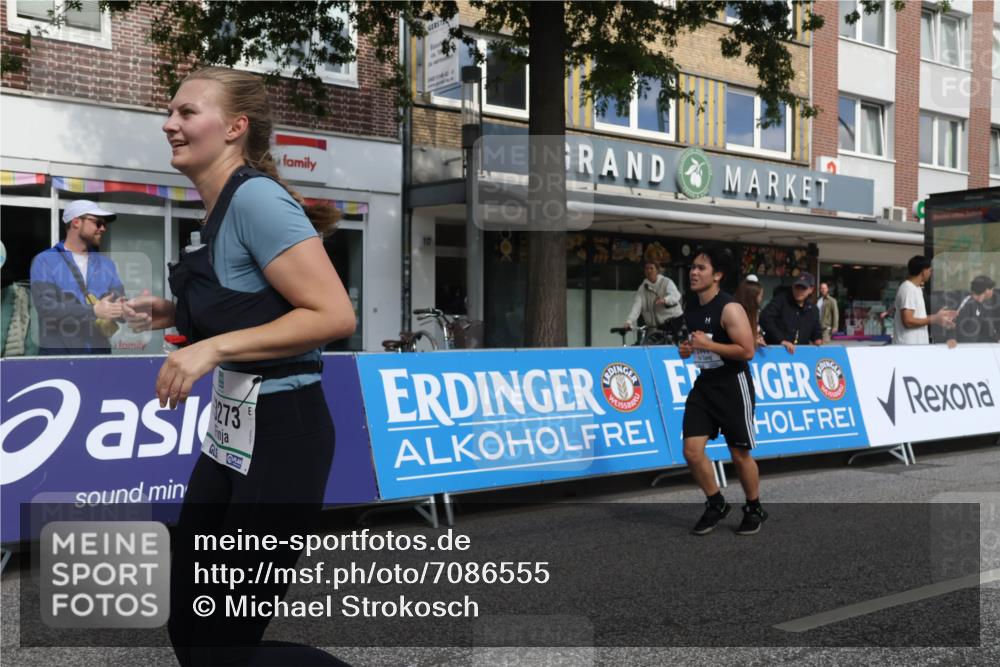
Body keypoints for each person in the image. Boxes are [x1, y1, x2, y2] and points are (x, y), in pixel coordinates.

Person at [122, 67, 355, 666]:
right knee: (188, 622)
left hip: (285, 433)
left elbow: (333, 315)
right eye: (170, 112)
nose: (169, 124)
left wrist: (211, 348)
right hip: (233, 437)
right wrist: (173, 311)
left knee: (221, 646)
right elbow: (254, 303)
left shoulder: (255, 199)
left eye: (186, 112)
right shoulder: (218, 208)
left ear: (234, 128)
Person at [677, 247, 765, 536]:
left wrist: (709, 345)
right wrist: (686, 350)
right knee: (692, 451)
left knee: (739, 454)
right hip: (705, 385)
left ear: (717, 275)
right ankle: (716, 503)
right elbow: (697, 346)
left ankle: (754, 508)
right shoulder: (692, 306)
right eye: (693, 267)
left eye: (701, 268)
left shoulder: (730, 308)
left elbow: (747, 351)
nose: (693, 272)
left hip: (732, 385)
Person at [29, 200, 124, 355]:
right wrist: (94, 311)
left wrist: (129, 309)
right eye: (98, 223)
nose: (103, 228)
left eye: (104, 224)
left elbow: (118, 302)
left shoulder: (107, 264)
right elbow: (46, 309)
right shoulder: (44, 261)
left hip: (99, 358)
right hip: (57, 359)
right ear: (76, 222)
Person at [893, 255, 955, 345]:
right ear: (923, 271)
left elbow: (918, 318)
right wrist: (935, 318)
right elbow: (908, 321)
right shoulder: (908, 289)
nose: (931, 273)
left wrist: (939, 318)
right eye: (930, 270)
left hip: (916, 346)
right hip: (908, 347)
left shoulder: (916, 288)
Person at [759, 272, 823, 353]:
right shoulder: (780, 300)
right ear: (793, 286)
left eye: (803, 288)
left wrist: (818, 338)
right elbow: (765, 318)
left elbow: (816, 328)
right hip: (776, 350)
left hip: (800, 353)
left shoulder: (813, 309)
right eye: (797, 287)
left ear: (811, 289)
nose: (799, 291)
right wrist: (781, 340)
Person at [623, 260, 683, 337]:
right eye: (646, 268)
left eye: (651, 268)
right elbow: (636, 306)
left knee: (670, 341)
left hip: (674, 320)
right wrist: (629, 322)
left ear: (657, 270)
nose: (649, 271)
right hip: (657, 325)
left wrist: (665, 300)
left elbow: (676, 295)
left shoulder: (666, 282)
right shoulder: (642, 288)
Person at [946, 275, 997, 347]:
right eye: (992, 289)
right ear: (987, 290)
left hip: (973, 348)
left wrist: (996, 339)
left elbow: (987, 328)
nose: (993, 292)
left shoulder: (982, 306)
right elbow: (953, 321)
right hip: (960, 348)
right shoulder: (967, 303)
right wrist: (951, 338)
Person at [733, 274, 766, 347]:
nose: (761, 299)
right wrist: (753, 341)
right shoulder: (736, 313)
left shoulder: (756, 312)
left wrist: (758, 337)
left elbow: (756, 330)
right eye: (760, 296)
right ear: (752, 297)